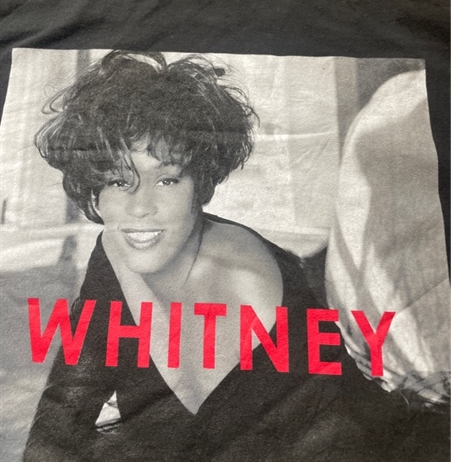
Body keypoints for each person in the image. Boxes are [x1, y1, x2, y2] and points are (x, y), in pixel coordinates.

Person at [24, 51, 448, 462]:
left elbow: (331, 435)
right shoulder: (118, 248)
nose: (140, 208)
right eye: (119, 182)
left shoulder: (251, 280)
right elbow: (67, 403)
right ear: (94, 188)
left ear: (202, 183)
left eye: (168, 180)